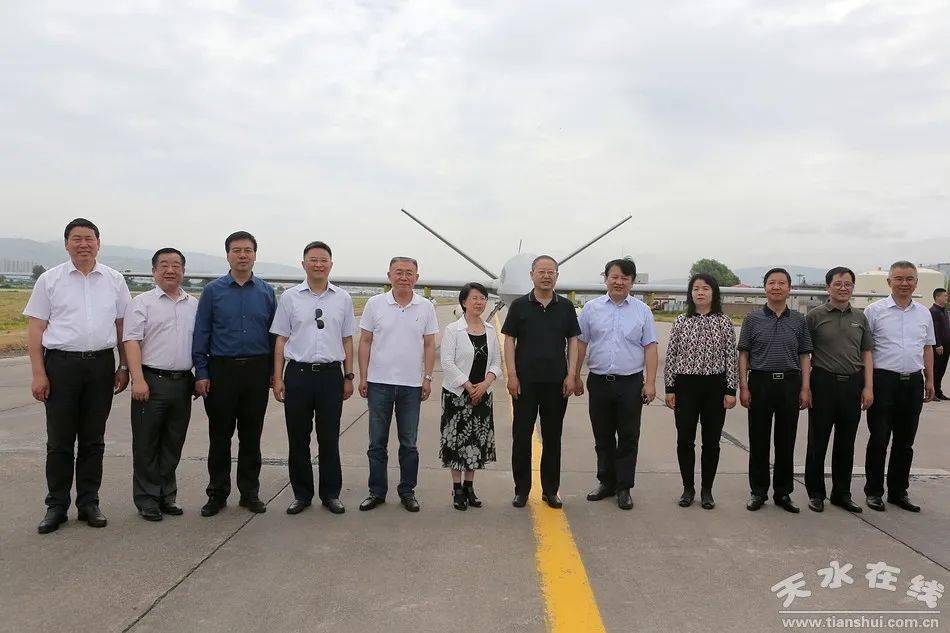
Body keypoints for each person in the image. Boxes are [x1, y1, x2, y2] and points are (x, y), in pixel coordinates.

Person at [24, 218, 131, 534]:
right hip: (61, 366)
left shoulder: (113, 280)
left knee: (93, 438)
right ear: (66, 243)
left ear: (99, 242)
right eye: (76, 239)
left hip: (99, 366)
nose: (83, 244)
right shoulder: (50, 280)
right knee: (59, 440)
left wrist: (123, 366)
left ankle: (88, 502)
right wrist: (39, 373)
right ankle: (56, 505)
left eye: (89, 238)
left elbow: (123, 326)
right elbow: (36, 328)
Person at [192, 231, 276, 517]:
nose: (242, 255)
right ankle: (217, 493)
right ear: (227, 254)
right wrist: (201, 372)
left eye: (248, 250)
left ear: (255, 254)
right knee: (220, 436)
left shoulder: (266, 292)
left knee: (251, 436)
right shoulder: (213, 291)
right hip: (221, 371)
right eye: (237, 250)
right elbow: (202, 333)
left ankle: (249, 493)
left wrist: (274, 374)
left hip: (256, 370)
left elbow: (274, 336)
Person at [271, 241, 356, 516]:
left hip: (331, 375)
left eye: (323, 260)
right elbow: (281, 339)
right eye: (313, 260)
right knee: (298, 438)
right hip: (298, 375)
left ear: (331, 264)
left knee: (329, 438)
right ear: (304, 263)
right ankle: (302, 494)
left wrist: (348, 375)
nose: (318, 264)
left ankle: (331, 494)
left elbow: (347, 340)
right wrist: (277, 377)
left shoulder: (342, 298)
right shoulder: (290, 297)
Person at [575, 258, 658, 511]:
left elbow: (650, 347)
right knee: (602, 435)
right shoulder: (591, 308)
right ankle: (606, 482)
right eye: (614, 276)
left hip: (631, 383)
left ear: (632, 282)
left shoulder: (642, 311)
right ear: (606, 278)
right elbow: (580, 343)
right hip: (599, 382)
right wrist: (574, 375)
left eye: (625, 278)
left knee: (629, 436)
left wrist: (651, 382)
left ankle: (624, 487)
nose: (619, 281)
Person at [123, 248, 198, 521]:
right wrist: (138, 379)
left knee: (173, 442)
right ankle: (147, 499)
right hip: (150, 380)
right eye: (164, 265)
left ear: (183, 271)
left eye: (176, 265)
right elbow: (131, 340)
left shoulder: (194, 304)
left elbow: (200, 344)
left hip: (182, 382)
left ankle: (167, 495)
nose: (170, 270)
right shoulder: (142, 303)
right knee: (146, 443)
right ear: (154, 271)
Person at [357, 257, 438, 513]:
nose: (404, 277)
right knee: (377, 443)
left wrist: (427, 377)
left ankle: (407, 491)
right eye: (399, 272)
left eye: (409, 273)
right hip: (379, 383)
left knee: (409, 443)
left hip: (411, 386)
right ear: (389, 275)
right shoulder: (375, 304)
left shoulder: (425, 306)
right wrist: (363, 376)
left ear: (416, 277)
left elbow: (429, 345)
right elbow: (366, 341)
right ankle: (376, 491)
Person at [502, 255, 580, 509]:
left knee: (553, 438)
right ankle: (522, 490)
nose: (546, 276)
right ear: (532, 274)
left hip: (556, 383)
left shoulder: (566, 307)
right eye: (541, 271)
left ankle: (550, 490)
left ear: (557, 275)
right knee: (521, 437)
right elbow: (509, 340)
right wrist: (511, 375)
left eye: (551, 272)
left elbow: (573, 341)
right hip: (525, 384)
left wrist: (571, 375)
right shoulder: (520, 306)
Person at [738, 267, 813, 513]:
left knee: (786, 441)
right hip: (760, 382)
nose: (777, 287)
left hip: (790, 384)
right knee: (758, 440)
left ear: (789, 288)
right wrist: (744, 386)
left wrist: (805, 387)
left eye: (782, 283)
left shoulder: (799, 320)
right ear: (765, 288)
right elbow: (744, 354)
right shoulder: (752, 319)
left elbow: (804, 355)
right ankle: (758, 491)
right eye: (772, 283)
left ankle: (783, 492)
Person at [863, 261, 936, 512]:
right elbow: (867, 351)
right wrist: (868, 385)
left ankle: (898, 491)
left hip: (913, 382)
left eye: (909, 279)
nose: (904, 283)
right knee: (879, 438)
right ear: (889, 282)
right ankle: (874, 491)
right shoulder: (874, 311)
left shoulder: (924, 313)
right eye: (899, 278)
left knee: (905, 442)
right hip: (884, 381)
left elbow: (927, 348)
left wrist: (930, 379)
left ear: (916, 282)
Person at [663, 273, 737, 510]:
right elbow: (671, 357)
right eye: (696, 288)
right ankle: (688, 488)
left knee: (711, 442)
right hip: (685, 388)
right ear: (690, 293)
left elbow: (731, 358)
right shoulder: (680, 322)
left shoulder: (724, 322)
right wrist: (670, 388)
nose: (700, 292)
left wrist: (730, 389)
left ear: (713, 293)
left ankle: (707, 490)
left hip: (715, 388)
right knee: (685, 440)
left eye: (705, 288)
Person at [803, 267, 873, 514]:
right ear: (827, 287)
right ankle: (816, 493)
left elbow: (866, 353)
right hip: (823, 383)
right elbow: (804, 354)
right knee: (817, 441)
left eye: (848, 284)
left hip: (852, 384)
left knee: (846, 442)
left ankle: (841, 493)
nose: (843, 288)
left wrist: (868, 386)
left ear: (853, 287)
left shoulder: (860, 317)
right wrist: (806, 387)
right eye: (838, 284)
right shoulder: (814, 316)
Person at [439, 283, 501, 510]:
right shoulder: (453, 330)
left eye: (483, 298)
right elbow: (447, 362)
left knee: (476, 443)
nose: (479, 302)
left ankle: (469, 487)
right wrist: (467, 386)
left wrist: (485, 384)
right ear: (464, 302)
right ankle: (457, 489)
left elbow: (496, 362)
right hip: (457, 394)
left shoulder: (491, 330)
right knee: (457, 442)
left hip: (483, 394)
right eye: (474, 298)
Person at [931, 288, 949, 401]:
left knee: (942, 369)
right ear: (937, 297)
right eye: (945, 295)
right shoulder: (933, 311)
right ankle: (932, 392)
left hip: (946, 346)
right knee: (936, 369)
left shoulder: (944, 311)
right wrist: (938, 344)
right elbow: (934, 330)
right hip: (939, 347)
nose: (947, 297)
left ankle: (938, 391)